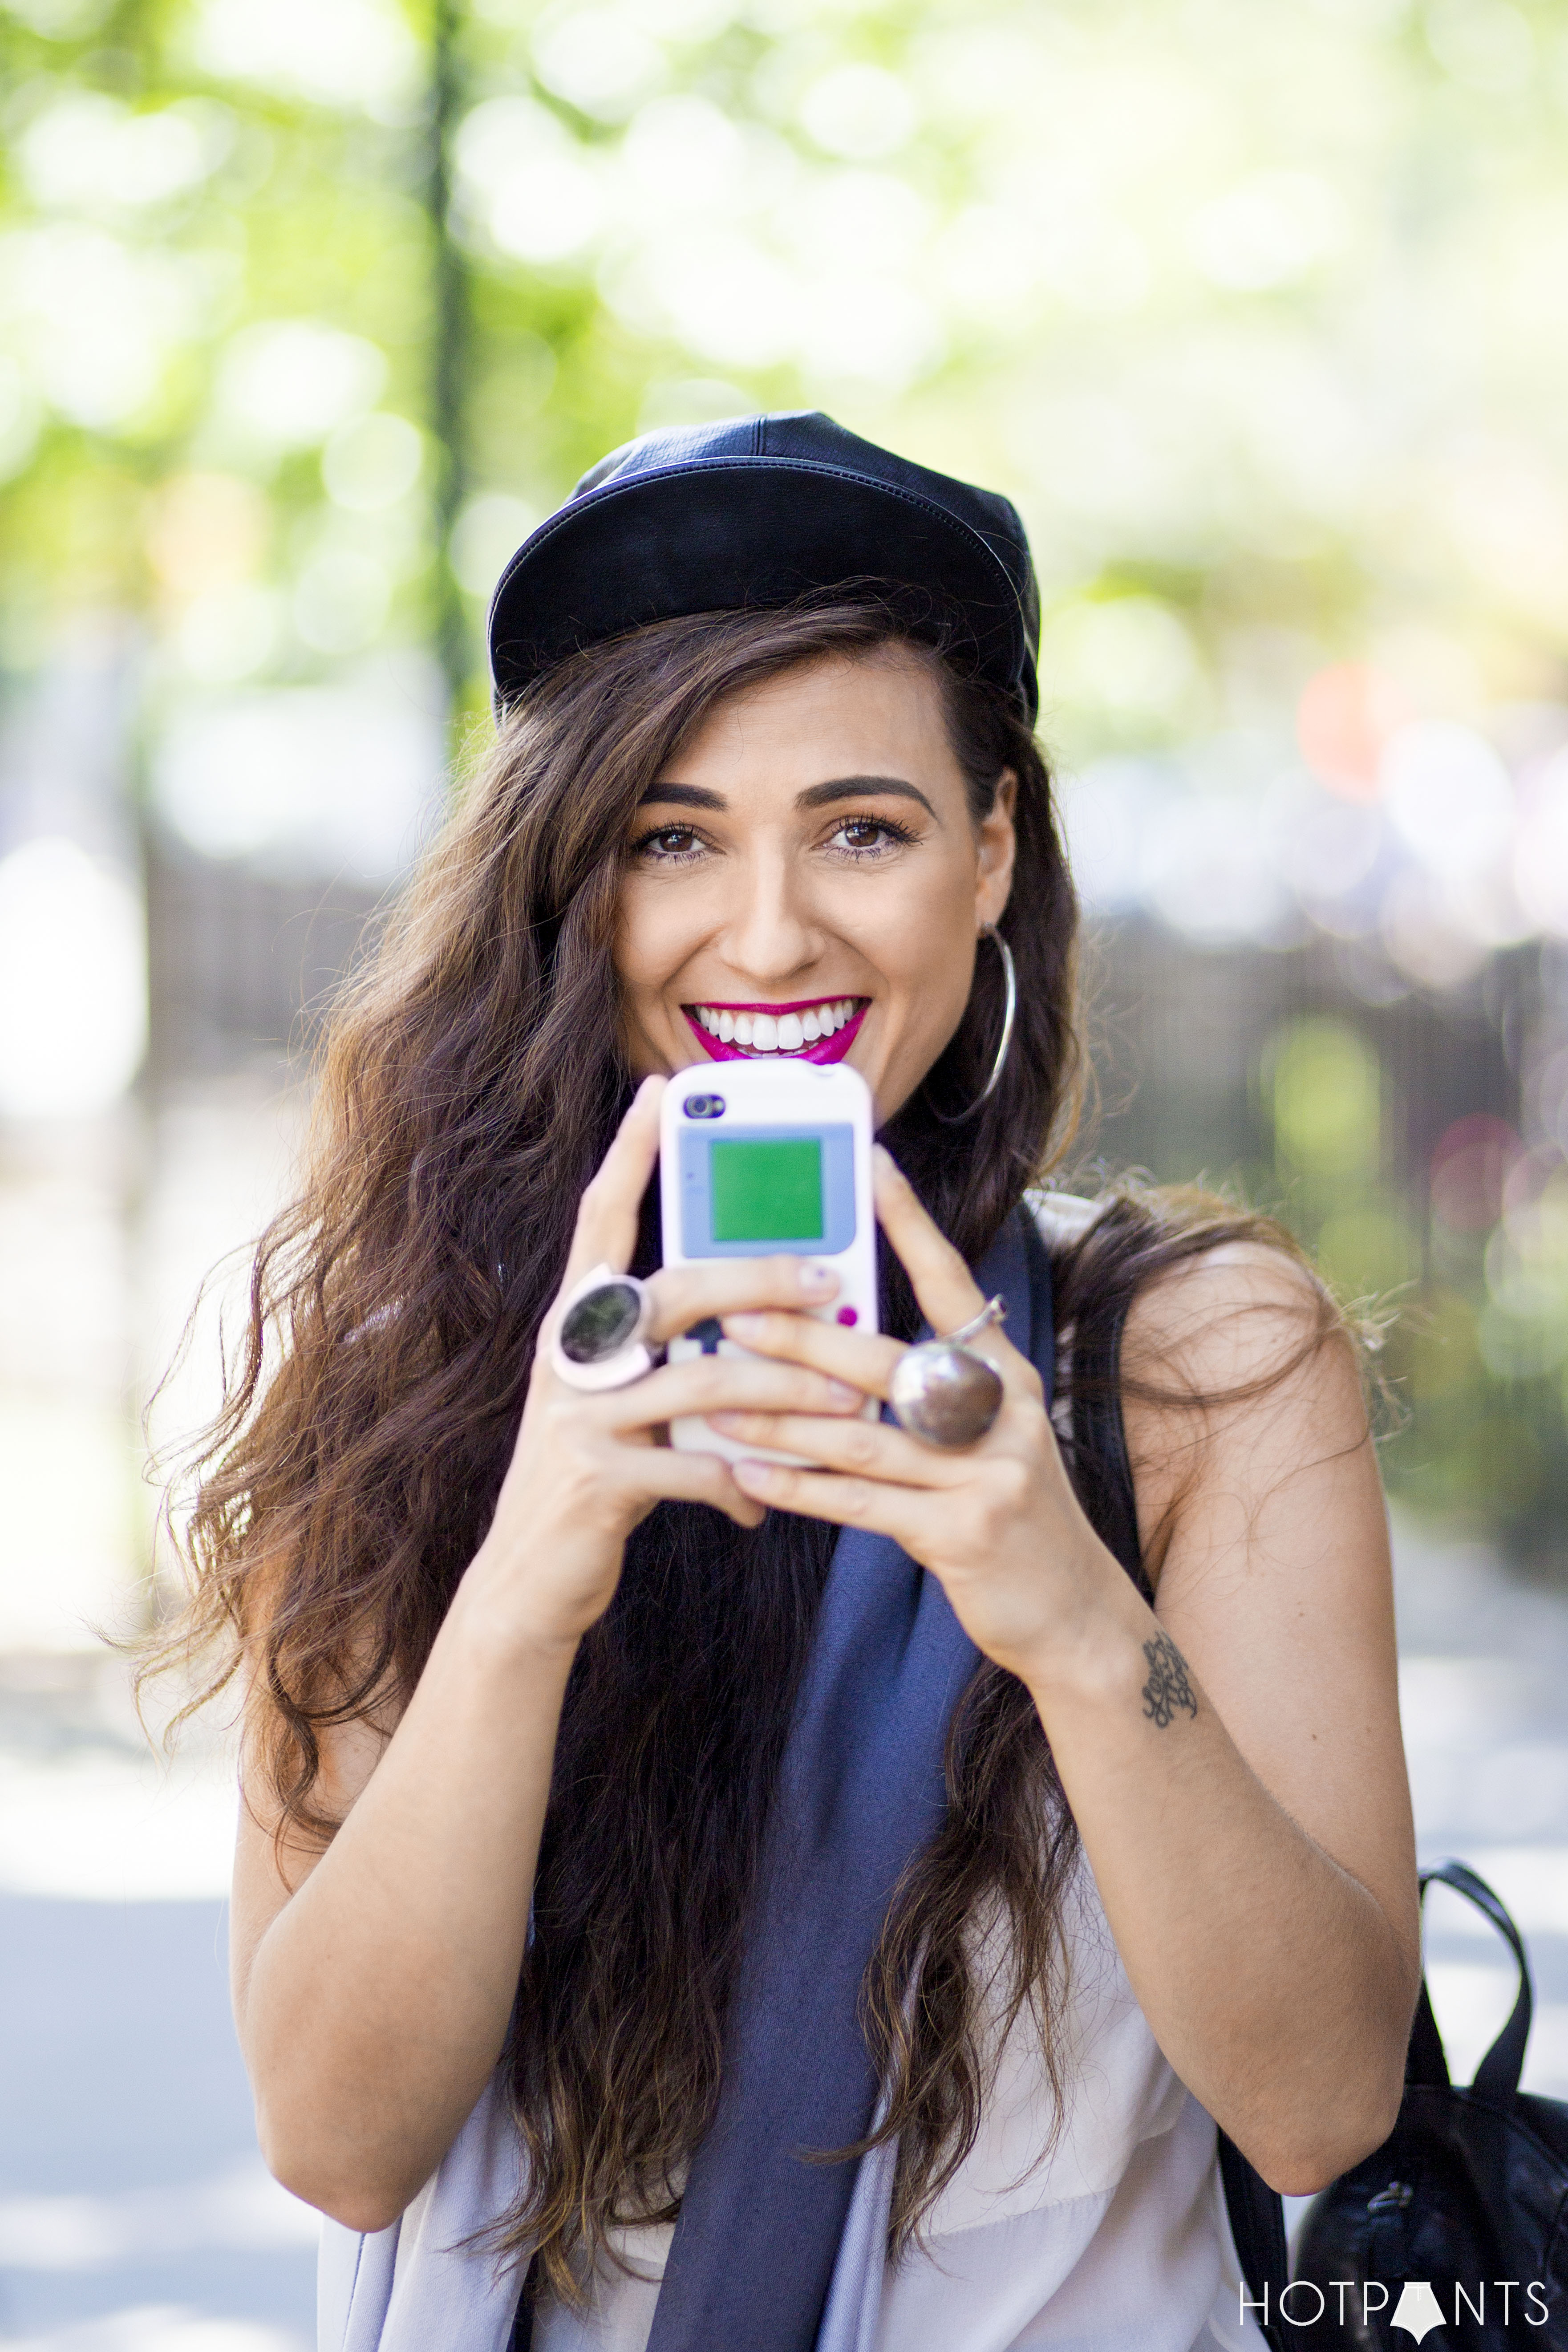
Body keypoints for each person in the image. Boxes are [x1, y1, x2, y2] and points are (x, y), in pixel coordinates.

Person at [156, 414, 1419, 2352]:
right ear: (572, 879)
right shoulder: (419, 1367)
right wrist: (525, 1585)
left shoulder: (1189, 1360)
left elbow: (1327, 2104)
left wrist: (1070, 1617)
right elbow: (336, 2136)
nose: (764, 933)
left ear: (988, 851)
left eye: (860, 828)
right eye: (673, 837)